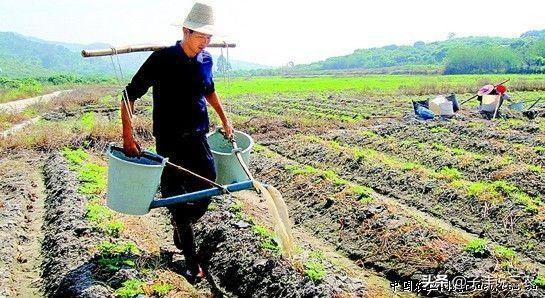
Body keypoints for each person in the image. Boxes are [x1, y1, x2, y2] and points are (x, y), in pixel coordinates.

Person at [121, 1, 233, 282]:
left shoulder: (206, 60)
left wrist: (224, 119)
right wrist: (128, 135)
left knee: (208, 185)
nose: (205, 43)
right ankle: (191, 263)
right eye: (200, 37)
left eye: (209, 38)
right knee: (177, 198)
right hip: (169, 142)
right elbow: (128, 95)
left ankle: (180, 221)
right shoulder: (161, 60)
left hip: (199, 137)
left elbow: (209, 91)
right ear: (186, 31)